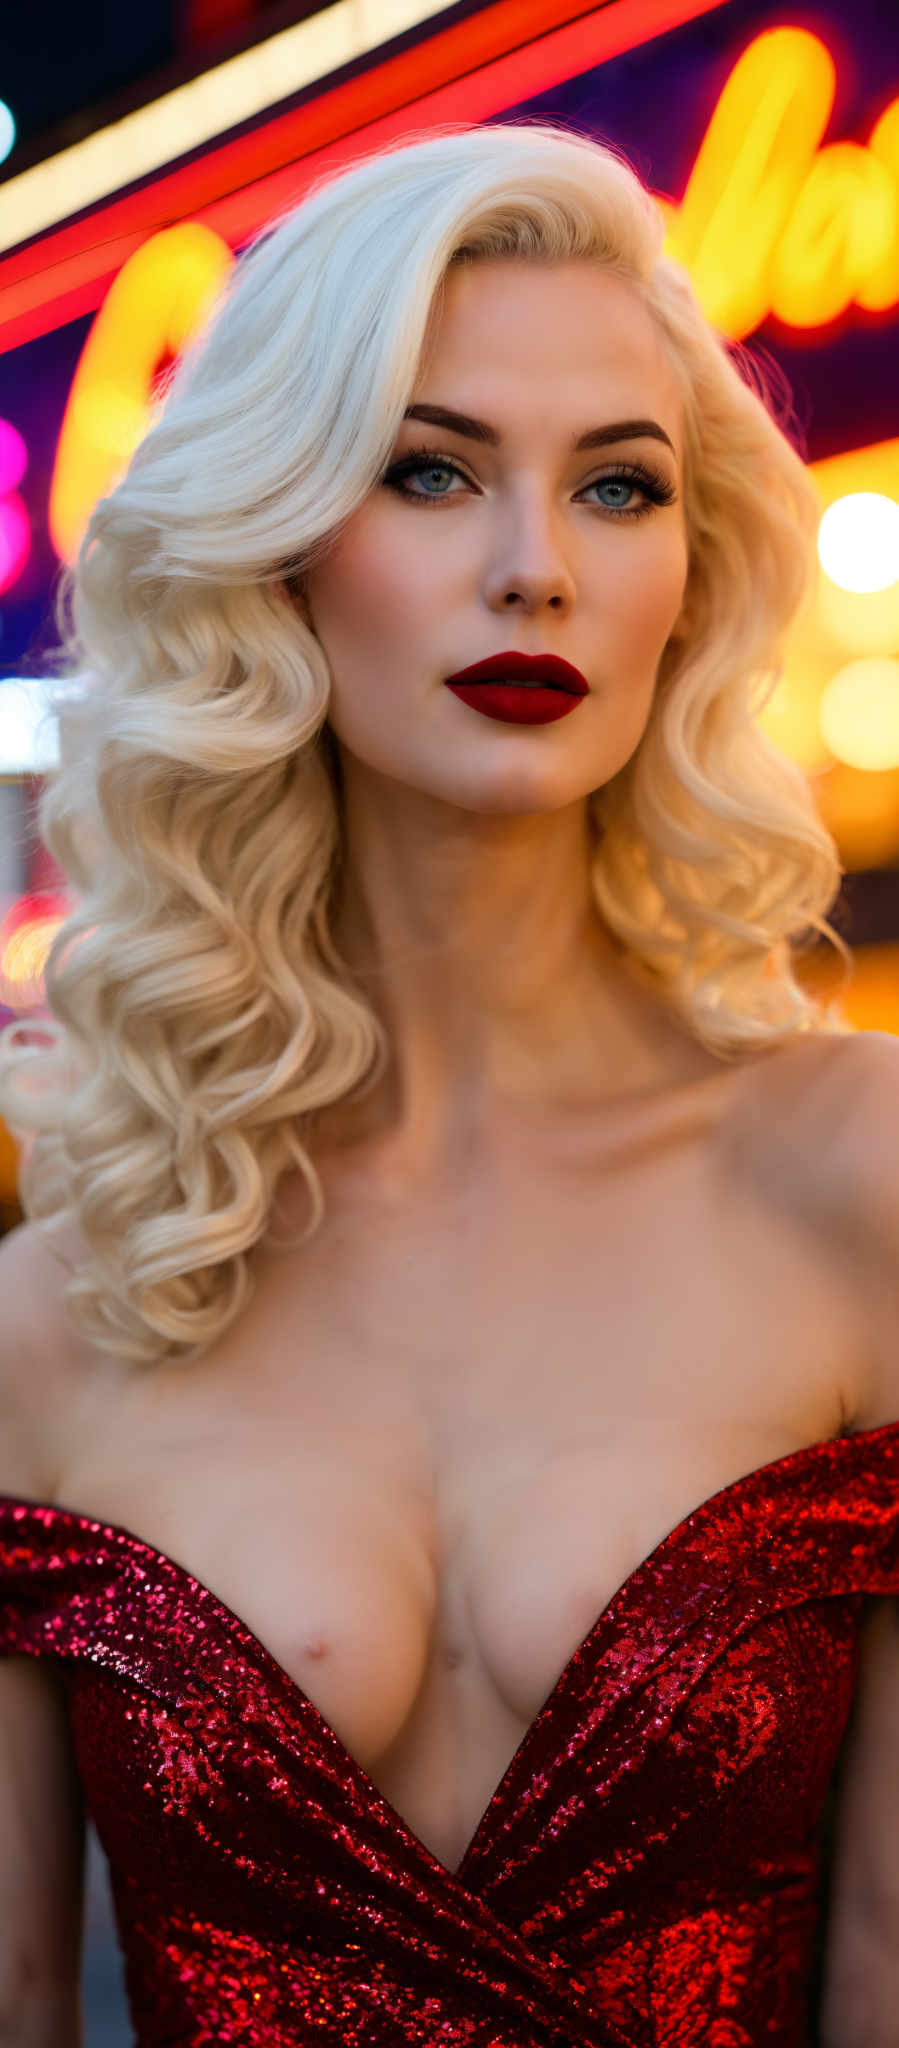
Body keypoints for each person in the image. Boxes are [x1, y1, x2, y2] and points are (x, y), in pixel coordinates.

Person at [0, 117, 897, 2048]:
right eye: (431, 472)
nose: (535, 571)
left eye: (619, 489)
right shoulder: (61, 1316)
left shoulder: (860, 1183)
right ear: (280, 556)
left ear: (692, 571)